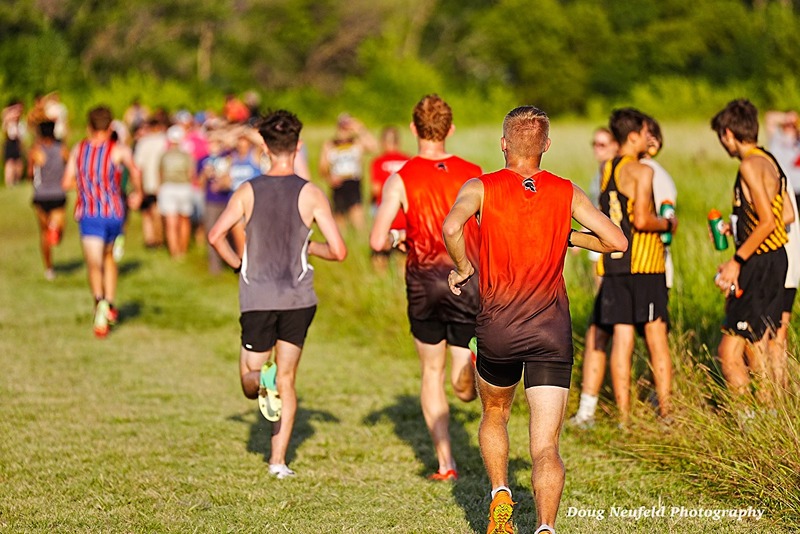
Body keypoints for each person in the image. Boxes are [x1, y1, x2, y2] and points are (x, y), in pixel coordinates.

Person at [443, 105, 627, 534]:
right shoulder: (566, 191)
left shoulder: (481, 187)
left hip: (498, 328)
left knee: (495, 413)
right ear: (546, 145)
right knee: (546, 447)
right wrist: (566, 234)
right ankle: (545, 526)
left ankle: (501, 491)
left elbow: (452, 227)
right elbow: (615, 241)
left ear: (504, 144)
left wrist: (463, 266)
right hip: (551, 331)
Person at [208, 109, 346, 479]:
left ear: (264, 148)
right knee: (287, 379)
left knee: (249, 380)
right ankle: (278, 462)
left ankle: (259, 381)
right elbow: (339, 250)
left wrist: (239, 265)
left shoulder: (248, 190)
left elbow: (214, 235)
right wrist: (310, 248)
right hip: (298, 298)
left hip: (257, 297)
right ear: (298, 146)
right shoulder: (311, 193)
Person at [369, 94, 481, 481]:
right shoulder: (473, 173)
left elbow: (376, 239)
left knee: (430, 373)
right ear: (450, 129)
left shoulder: (400, 178)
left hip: (423, 283)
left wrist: (402, 238)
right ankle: (468, 369)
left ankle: (445, 462)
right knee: (460, 378)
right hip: (466, 279)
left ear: (414, 129)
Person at [570, 115, 678, 428]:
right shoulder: (643, 171)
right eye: (645, 133)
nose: (649, 138)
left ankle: (624, 417)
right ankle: (666, 414)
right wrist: (669, 224)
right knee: (657, 339)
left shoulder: (607, 169)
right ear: (633, 136)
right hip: (645, 265)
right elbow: (643, 220)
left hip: (614, 263)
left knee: (622, 339)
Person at [711, 99, 793, 401]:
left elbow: (769, 221)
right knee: (760, 342)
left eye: (722, 136)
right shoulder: (770, 159)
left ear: (729, 133)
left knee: (729, 350)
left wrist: (736, 259)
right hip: (777, 259)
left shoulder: (748, 165)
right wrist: (741, 226)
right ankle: (770, 414)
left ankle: (747, 420)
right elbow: (787, 215)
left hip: (758, 263)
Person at [62, 105, 143, 338]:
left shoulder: (79, 149)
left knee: (93, 263)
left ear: (89, 126)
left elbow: (66, 182)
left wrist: (87, 185)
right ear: (110, 128)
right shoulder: (118, 150)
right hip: (114, 213)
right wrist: (137, 193)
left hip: (89, 213)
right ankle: (109, 301)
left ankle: (100, 303)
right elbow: (135, 172)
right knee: (108, 258)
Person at [320, 113, 377, 231]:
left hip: (353, 183)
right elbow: (322, 167)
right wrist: (329, 177)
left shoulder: (356, 142)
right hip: (338, 185)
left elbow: (373, 147)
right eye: (342, 126)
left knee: (359, 223)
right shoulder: (330, 145)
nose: (344, 130)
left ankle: (359, 245)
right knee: (340, 226)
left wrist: (360, 129)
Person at [28, 121, 68, 280]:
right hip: (58, 194)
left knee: (43, 234)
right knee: (58, 232)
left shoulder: (36, 151)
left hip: (41, 195)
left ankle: (49, 269)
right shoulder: (62, 150)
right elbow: (71, 166)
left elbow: (30, 173)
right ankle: (55, 228)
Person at [370, 126, 411, 271]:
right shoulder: (409, 161)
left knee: (379, 256)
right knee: (404, 258)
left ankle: (380, 286)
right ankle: (399, 289)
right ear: (398, 141)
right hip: (406, 218)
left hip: (387, 218)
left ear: (383, 142)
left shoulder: (378, 162)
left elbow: (376, 190)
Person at [159, 125, 195, 258]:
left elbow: (160, 173)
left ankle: (174, 252)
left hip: (168, 187)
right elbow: (191, 174)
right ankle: (182, 250)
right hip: (184, 187)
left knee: (171, 222)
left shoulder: (164, 155)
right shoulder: (187, 156)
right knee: (184, 220)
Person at [133, 116, 167, 248]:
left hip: (146, 181)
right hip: (161, 181)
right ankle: (159, 238)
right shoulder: (165, 141)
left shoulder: (143, 142)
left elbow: (138, 165)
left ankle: (150, 238)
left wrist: (137, 186)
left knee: (146, 212)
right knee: (157, 210)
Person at [2, 99, 25, 188]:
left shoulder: (19, 122)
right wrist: (14, 108)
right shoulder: (8, 118)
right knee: (10, 163)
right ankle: (9, 182)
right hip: (9, 141)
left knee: (18, 163)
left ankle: (16, 181)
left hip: (17, 142)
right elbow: (5, 113)